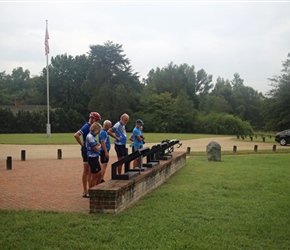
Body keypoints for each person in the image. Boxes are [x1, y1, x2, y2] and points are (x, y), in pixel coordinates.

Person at [74, 112, 101, 198]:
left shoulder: (93, 127)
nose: (97, 122)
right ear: (92, 119)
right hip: (86, 151)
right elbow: (76, 135)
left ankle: (90, 189)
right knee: (87, 170)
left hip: (89, 150)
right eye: (96, 120)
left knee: (90, 171)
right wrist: (82, 144)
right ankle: (85, 190)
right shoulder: (87, 126)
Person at [86, 122, 103, 189]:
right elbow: (95, 149)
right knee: (94, 175)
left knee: (99, 174)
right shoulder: (90, 137)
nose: (99, 132)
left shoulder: (93, 136)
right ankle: (91, 190)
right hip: (92, 157)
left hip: (95, 157)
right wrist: (99, 145)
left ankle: (96, 188)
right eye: (98, 131)